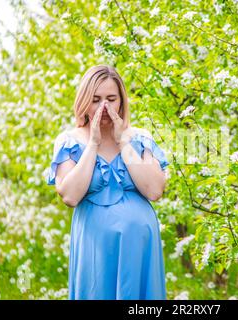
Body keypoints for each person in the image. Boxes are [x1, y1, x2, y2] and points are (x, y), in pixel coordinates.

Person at [45, 65, 170, 299]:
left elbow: (154, 190)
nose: (104, 107)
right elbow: (70, 195)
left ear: (121, 102)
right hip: (95, 247)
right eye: (96, 99)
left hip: (139, 247)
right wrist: (93, 143)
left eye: (111, 99)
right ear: (84, 101)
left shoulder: (141, 138)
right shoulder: (69, 141)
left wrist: (123, 141)